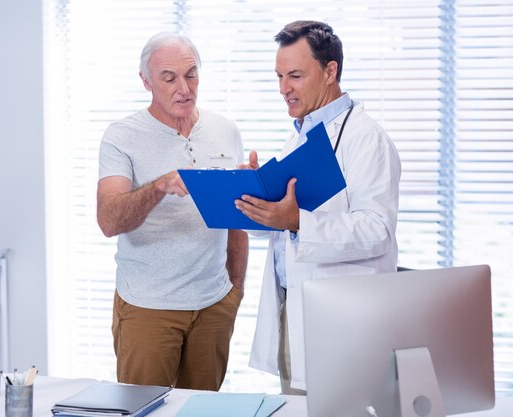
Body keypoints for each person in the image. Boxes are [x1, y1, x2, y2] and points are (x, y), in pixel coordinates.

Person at [235, 20, 401, 393]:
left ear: (330, 71)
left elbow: (377, 230)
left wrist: (296, 222)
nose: (283, 89)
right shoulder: (302, 137)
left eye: (294, 75)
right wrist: (257, 199)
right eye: (279, 76)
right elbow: (286, 225)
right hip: (293, 310)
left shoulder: (366, 139)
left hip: (342, 322)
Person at [96, 32, 248, 391]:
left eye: (191, 74)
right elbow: (109, 220)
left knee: (202, 411)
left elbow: (235, 219)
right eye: (169, 78)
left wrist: (235, 289)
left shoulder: (225, 130)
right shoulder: (121, 137)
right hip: (148, 308)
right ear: (146, 81)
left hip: (213, 304)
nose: (185, 88)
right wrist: (159, 187)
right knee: (144, 411)